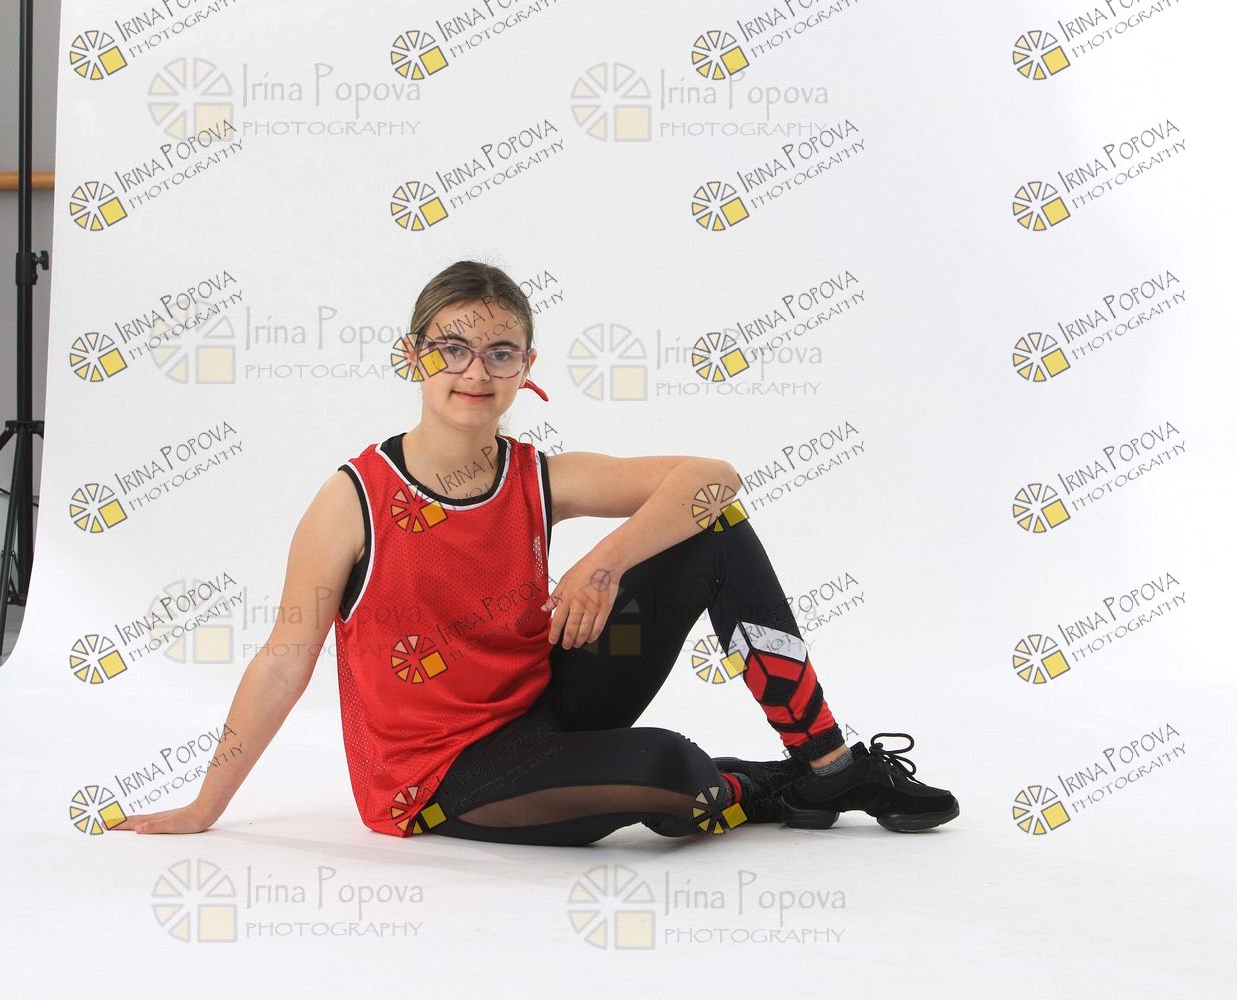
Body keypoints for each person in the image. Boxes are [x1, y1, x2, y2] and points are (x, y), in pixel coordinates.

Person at [114, 260, 959, 844]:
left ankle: (830, 766)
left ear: (527, 367)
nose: (475, 372)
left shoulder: (537, 477)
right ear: (413, 356)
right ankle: (767, 788)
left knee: (714, 527)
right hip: (442, 777)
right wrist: (204, 805)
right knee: (676, 770)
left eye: (500, 353)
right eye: (451, 349)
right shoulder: (352, 501)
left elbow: (715, 480)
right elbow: (283, 660)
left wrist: (604, 562)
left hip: (550, 707)